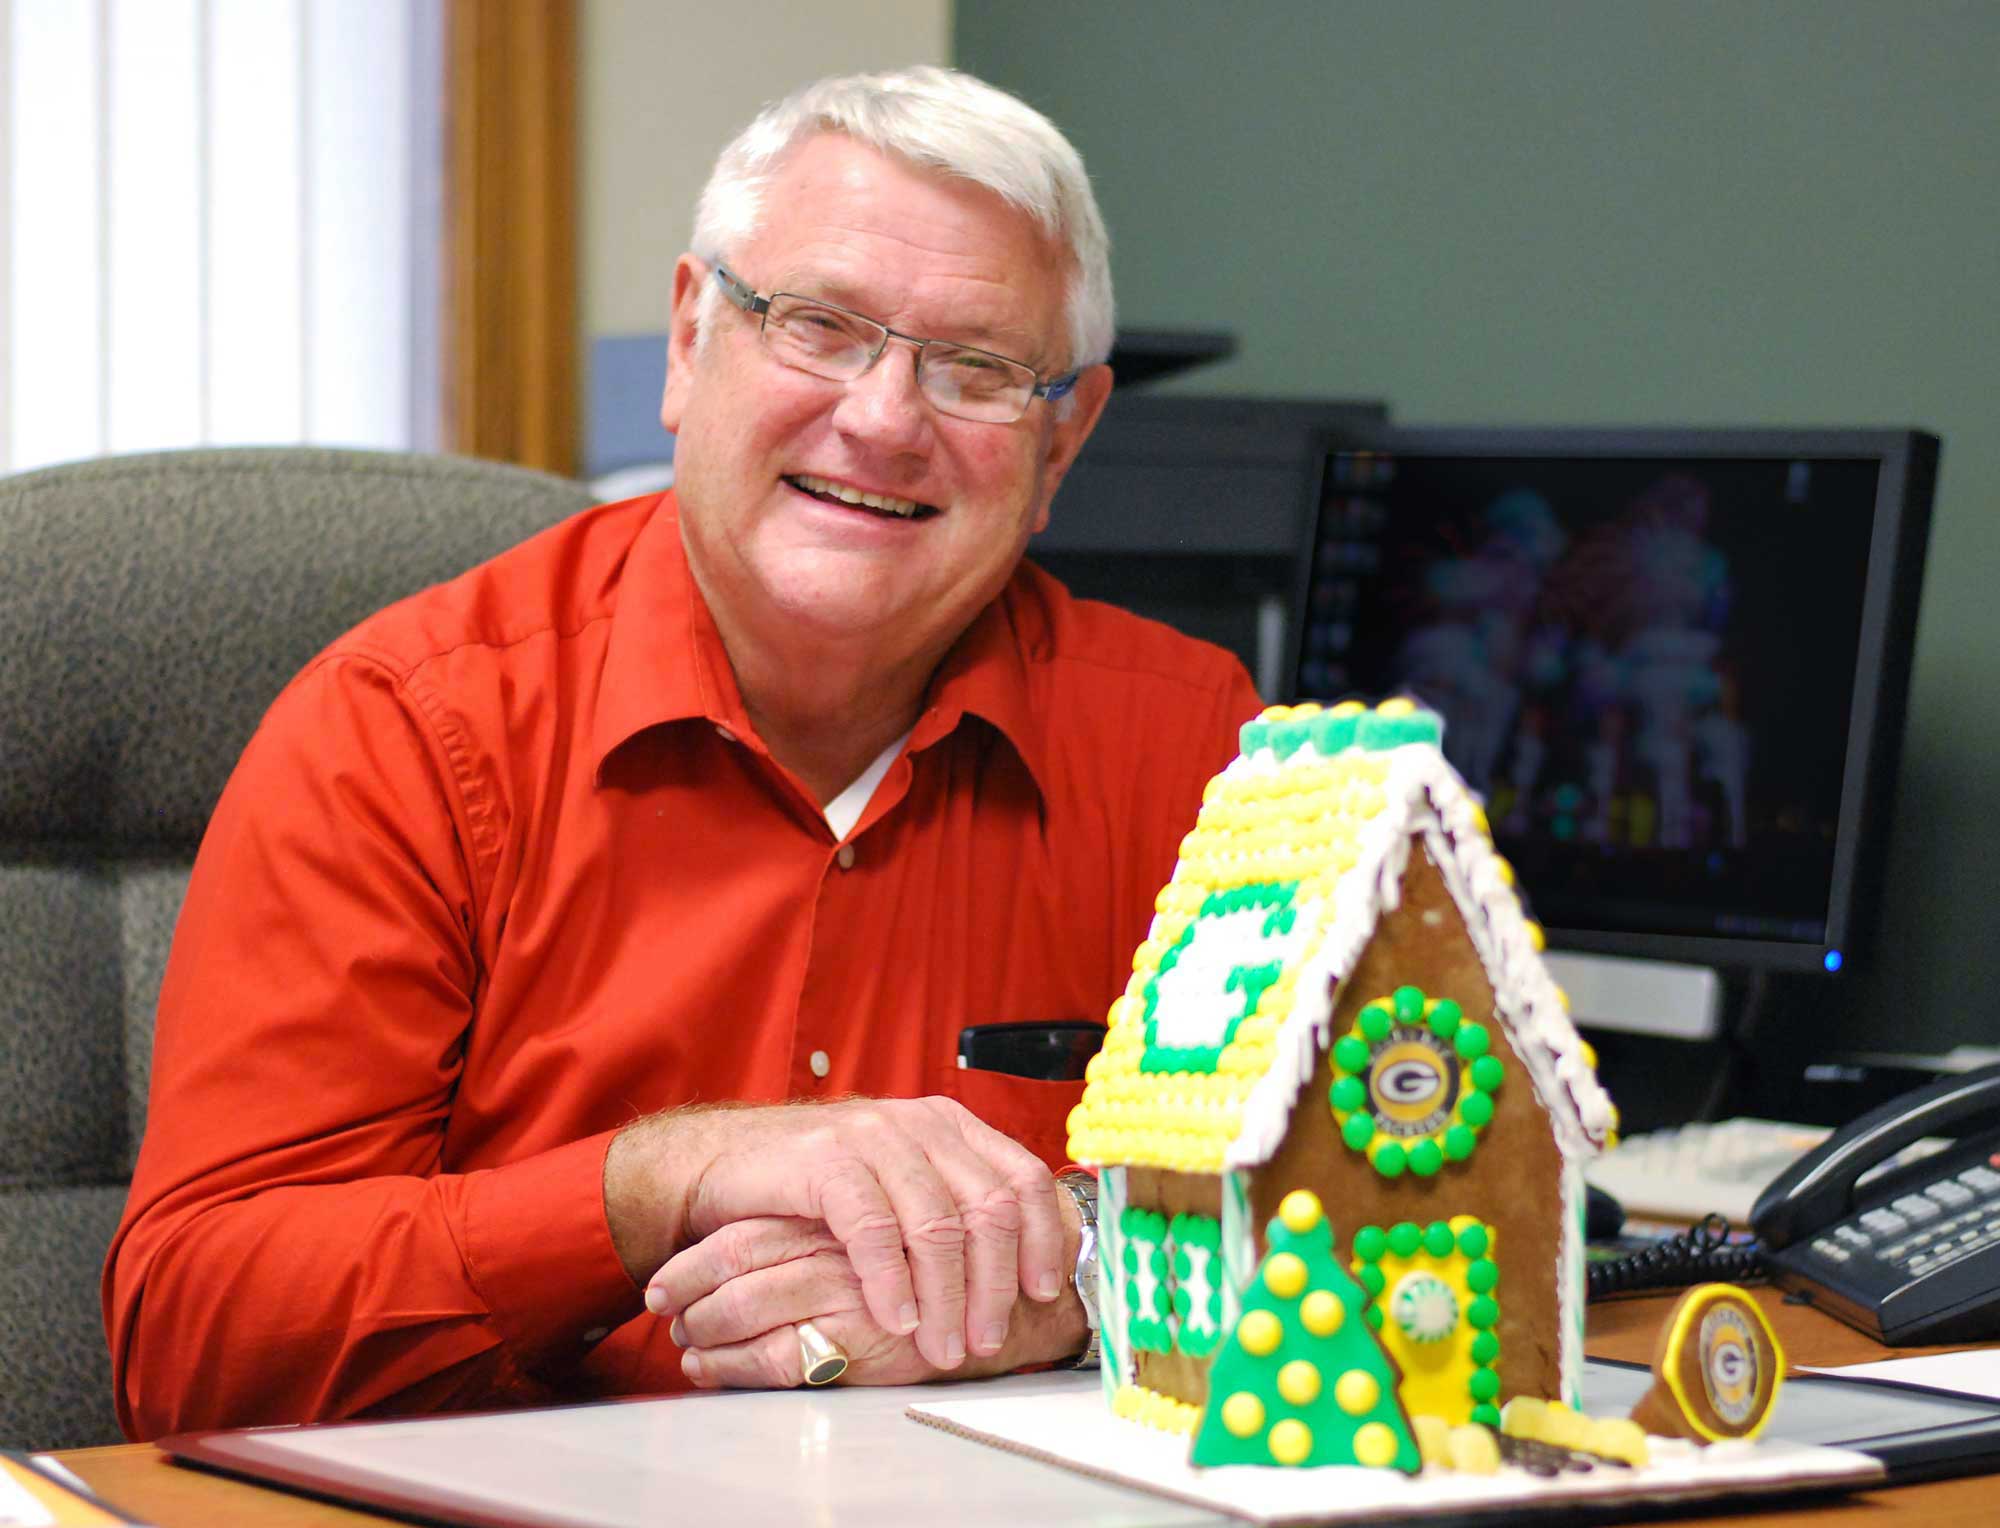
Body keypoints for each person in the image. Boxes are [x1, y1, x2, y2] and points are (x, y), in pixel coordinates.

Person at [103, 66, 1260, 1437]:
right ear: (689, 338)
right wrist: (656, 1181)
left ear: (1062, 439)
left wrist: (1076, 1280)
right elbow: (195, 1342)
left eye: (978, 370)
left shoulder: (1190, 741)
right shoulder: (405, 730)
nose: (886, 419)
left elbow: (1420, 1217)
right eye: (820, 328)